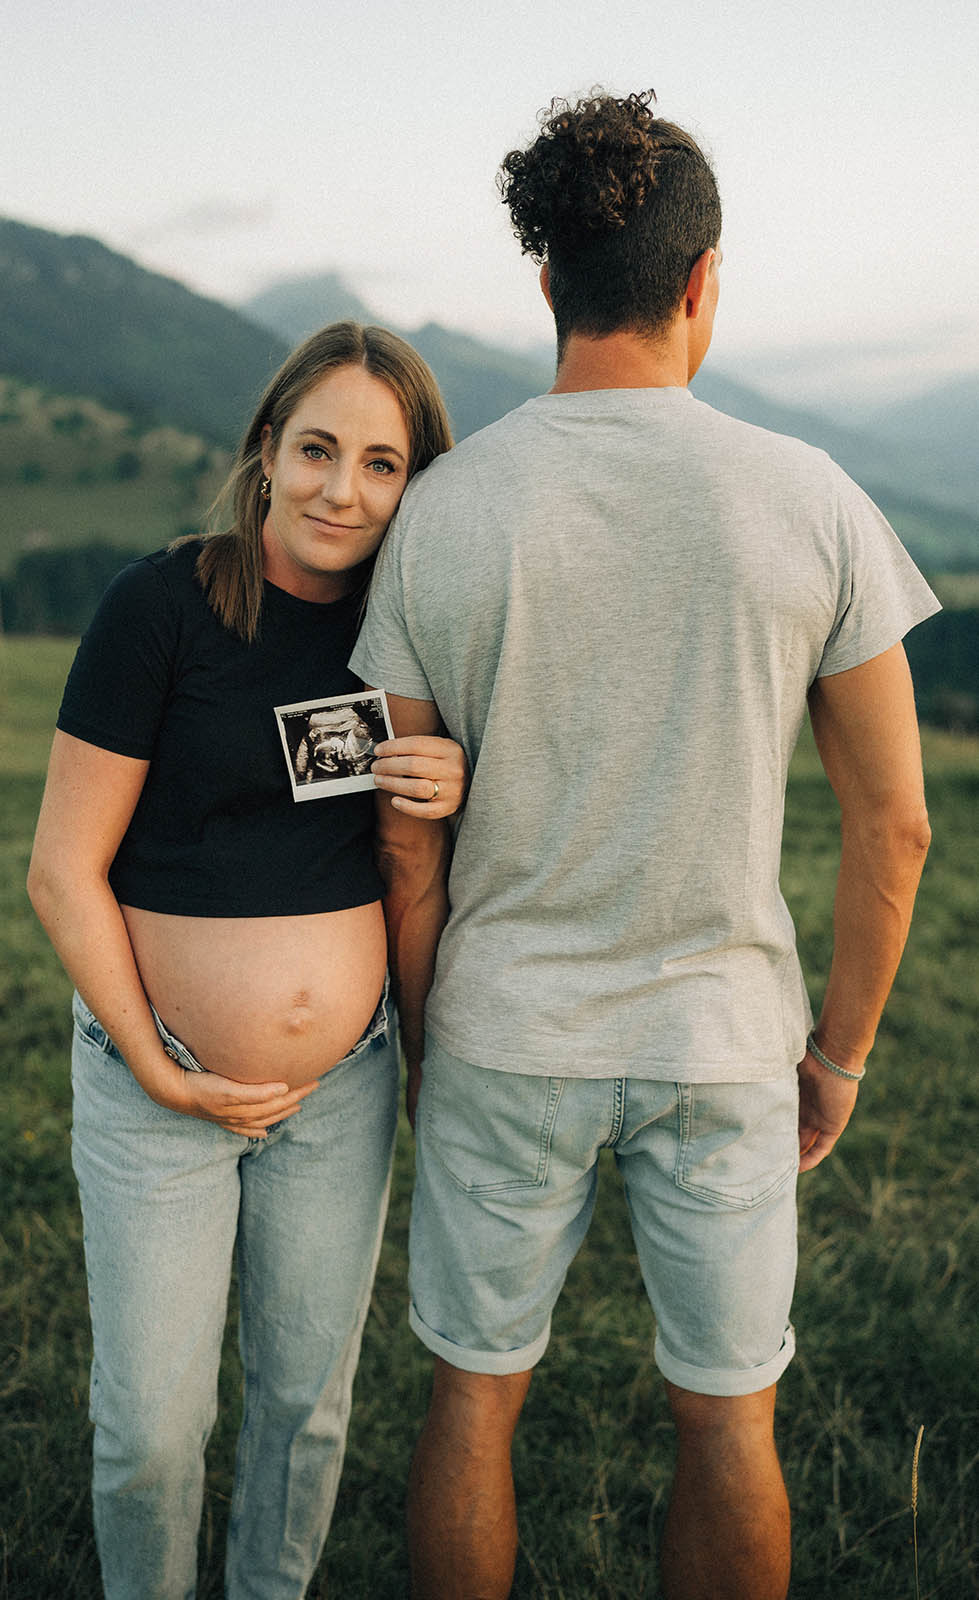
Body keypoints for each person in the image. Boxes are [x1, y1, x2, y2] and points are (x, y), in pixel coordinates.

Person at [350, 92, 939, 1600]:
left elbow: (404, 839)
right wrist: (837, 1058)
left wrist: (425, 1043)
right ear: (700, 282)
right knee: (727, 1419)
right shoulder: (810, 499)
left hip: (502, 1030)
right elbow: (893, 826)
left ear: (546, 280)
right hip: (722, 1039)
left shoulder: (441, 512)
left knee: (471, 1395)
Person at [27, 321, 465, 1600]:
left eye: (381, 464)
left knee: (302, 1406)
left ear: (415, 484)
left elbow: (420, 852)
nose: (343, 491)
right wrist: (160, 1068)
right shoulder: (160, 606)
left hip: (340, 1089)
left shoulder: (408, 634)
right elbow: (61, 869)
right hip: (157, 1081)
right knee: (150, 1431)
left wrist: (453, 779)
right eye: (317, 449)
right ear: (265, 451)